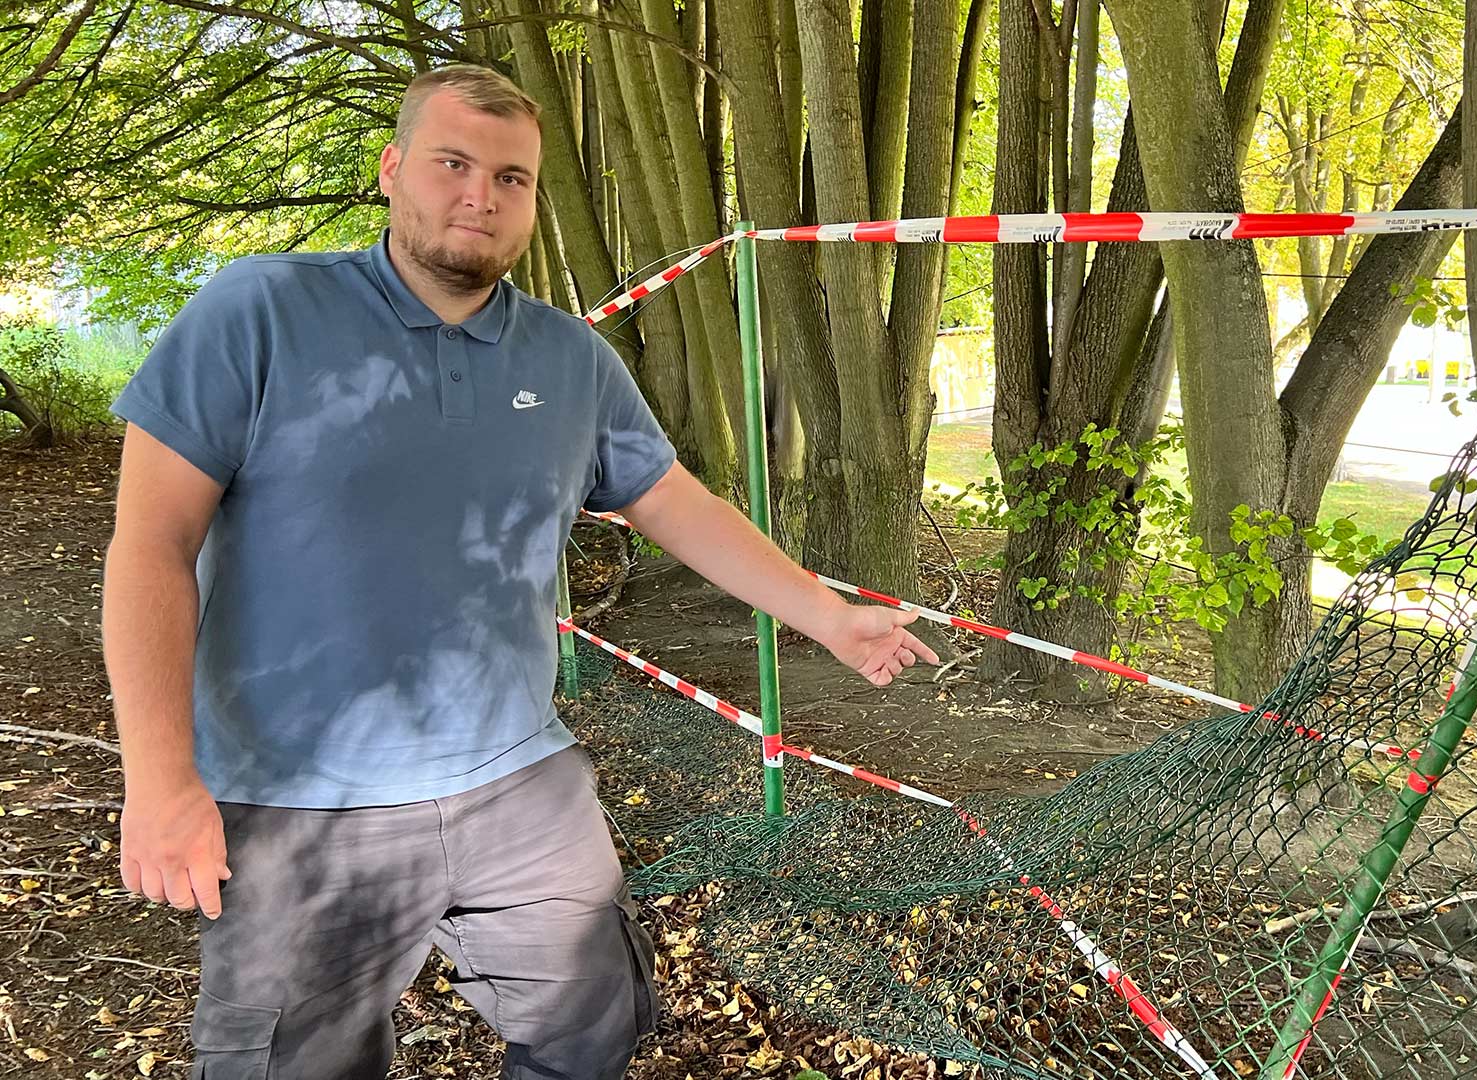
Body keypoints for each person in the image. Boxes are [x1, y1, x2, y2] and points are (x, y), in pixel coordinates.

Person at [100, 63, 935, 1080]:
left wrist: (829, 618)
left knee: (596, 1026)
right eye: (453, 164)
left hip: (518, 783)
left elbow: (674, 503)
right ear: (393, 169)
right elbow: (149, 547)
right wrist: (160, 779)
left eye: (512, 177)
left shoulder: (569, 360)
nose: (480, 196)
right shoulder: (261, 313)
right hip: (301, 803)